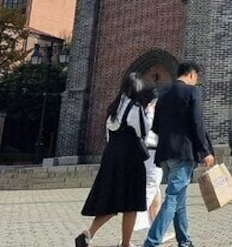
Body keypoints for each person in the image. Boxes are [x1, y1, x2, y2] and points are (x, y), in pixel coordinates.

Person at [142, 61, 215, 247]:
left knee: (179, 198)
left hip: (166, 153)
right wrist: (205, 151)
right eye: (196, 78)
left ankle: (184, 240)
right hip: (184, 153)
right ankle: (151, 242)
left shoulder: (163, 96)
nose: (195, 82)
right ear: (191, 75)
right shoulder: (192, 92)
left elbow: (156, 127)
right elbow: (197, 124)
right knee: (173, 198)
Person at [75, 73, 149, 247]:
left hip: (111, 156)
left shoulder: (113, 108)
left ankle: (88, 234)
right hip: (130, 158)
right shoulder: (135, 107)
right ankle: (126, 243)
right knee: (132, 202)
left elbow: (109, 136)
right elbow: (143, 131)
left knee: (112, 200)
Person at [133, 87, 174, 246]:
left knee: (156, 192)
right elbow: (154, 135)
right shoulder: (149, 115)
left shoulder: (140, 113)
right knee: (150, 190)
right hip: (151, 157)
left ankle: (157, 230)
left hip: (146, 156)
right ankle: (128, 232)